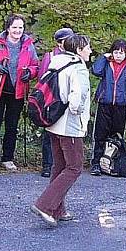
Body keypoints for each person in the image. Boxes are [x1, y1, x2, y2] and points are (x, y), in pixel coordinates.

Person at [31, 33, 92, 227]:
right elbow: (76, 100)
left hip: (53, 121)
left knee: (59, 166)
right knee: (74, 167)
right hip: (70, 125)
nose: (90, 51)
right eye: (87, 47)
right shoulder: (79, 68)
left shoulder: (56, 62)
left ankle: (58, 209)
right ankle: (45, 205)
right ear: (79, 49)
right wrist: (80, 113)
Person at [0, 14, 39, 171]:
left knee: (12, 125)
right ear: (8, 28)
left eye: (20, 27)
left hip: (17, 91)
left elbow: (35, 66)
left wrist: (30, 73)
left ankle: (8, 158)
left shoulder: (28, 45)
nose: (18, 30)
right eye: (15, 27)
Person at [89, 39, 126, 176]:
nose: (118, 55)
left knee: (117, 135)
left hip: (121, 105)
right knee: (100, 134)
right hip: (105, 103)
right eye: (116, 52)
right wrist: (104, 57)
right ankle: (96, 162)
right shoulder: (107, 65)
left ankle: (113, 161)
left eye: (122, 53)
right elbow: (95, 70)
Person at [38, 27, 73, 177]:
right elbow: (42, 79)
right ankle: (47, 164)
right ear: (60, 43)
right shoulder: (50, 56)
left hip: (68, 98)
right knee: (50, 132)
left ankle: (64, 164)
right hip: (52, 99)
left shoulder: (75, 57)